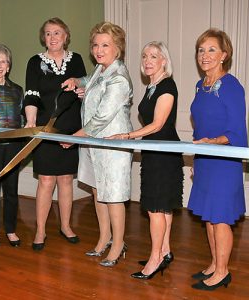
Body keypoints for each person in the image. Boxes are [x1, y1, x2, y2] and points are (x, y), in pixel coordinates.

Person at [108, 41, 184, 279]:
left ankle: (155, 259)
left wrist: (127, 135)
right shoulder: (153, 86)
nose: (147, 61)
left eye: (154, 56)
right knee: (162, 208)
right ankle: (165, 251)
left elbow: (158, 125)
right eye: (144, 56)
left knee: (155, 209)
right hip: (155, 152)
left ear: (164, 61)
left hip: (163, 154)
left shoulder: (167, 86)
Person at [62, 21, 133, 267]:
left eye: (105, 45)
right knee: (97, 191)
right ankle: (104, 239)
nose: (99, 50)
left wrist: (77, 136)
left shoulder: (119, 77)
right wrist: (77, 81)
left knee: (113, 196)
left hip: (112, 144)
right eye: (95, 45)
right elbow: (88, 79)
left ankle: (118, 244)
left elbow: (103, 116)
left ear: (118, 48)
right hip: (93, 144)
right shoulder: (101, 70)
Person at [188, 28, 248, 290]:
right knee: (209, 216)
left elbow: (236, 130)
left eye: (211, 49)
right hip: (206, 158)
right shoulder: (201, 86)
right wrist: (200, 154)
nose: (205, 55)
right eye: (201, 50)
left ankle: (223, 271)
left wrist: (213, 143)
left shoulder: (232, 86)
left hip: (224, 160)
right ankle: (214, 263)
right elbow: (200, 125)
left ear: (224, 55)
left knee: (220, 217)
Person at [23, 17, 86, 251]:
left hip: (71, 129)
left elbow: (85, 87)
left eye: (57, 33)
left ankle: (66, 226)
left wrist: (83, 91)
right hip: (45, 129)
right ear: (44, 37)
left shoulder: (77, 60)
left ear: (66, 36)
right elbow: (31, 95)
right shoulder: (34, 62)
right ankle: (40, 230)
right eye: (48, 33)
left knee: (66, 180)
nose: (53, 37)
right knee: (46, 181)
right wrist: (31, 123)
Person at [0, 44, 23, 248]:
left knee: (11, 190)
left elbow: (23, 119)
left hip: (14, 146)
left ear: (8, 66)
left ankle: (10, 229)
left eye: (3, 61)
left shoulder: (17, 90)